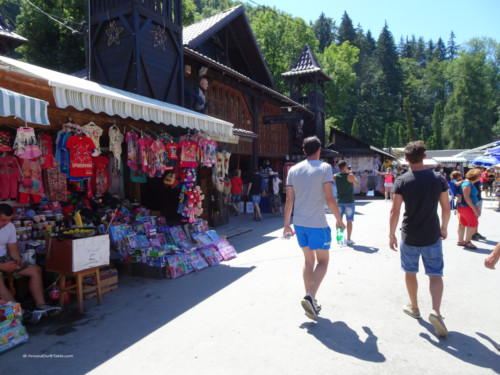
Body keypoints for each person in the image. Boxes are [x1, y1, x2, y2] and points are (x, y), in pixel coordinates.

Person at [389, 141, 451, 338]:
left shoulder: (402, 180)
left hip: (410, 234)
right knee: (435, 274)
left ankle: (414, 307)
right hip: (432, 233)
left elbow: (395, 210)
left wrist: (391, 234)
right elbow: (446, 207)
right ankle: (436, 311)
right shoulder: (438, 179)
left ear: (406, 160)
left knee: (410, 272)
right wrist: (444, 227)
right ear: (424, 156)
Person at [284, 136, 346, 321]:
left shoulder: (293, 170)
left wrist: (286, 224)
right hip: (317, 223)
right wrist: (339, 219)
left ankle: (311, 299)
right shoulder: (325, 168)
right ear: (319, 149)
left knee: (308, 261)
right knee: (323, 262)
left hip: (299, 223)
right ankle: (310, 297)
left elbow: (289, 200)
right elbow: (329, 198)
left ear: (304, 151)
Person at [0, 204, 61, 323]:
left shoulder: (10, 227)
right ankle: (20, 313)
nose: (6, 223)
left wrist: (18, 260)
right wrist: (1, 266)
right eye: (3, 220)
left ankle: (41, 305)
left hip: (4, 258)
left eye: (8, 220)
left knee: (35, 270)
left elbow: (13, 249)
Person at [333, 160, 359, 245]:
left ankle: (339, 239)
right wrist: (352, 175)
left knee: (338, 220)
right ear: (345, 167)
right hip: (349, 201)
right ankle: (348, 239)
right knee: (349, 220)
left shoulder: (335, 176)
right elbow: (356, 184)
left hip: (339, 200)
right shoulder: (350, 176)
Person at [457, 168, 482, 249]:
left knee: (462, 223)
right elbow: (467, 197)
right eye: (479, 175)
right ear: (476, 176)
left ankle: (460, 241)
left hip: (464, 207)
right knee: (473, 224)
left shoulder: (467, 183)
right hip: (467, 208)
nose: (480, 177)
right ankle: (468, 241)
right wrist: (474, 209)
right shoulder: (467, 184)